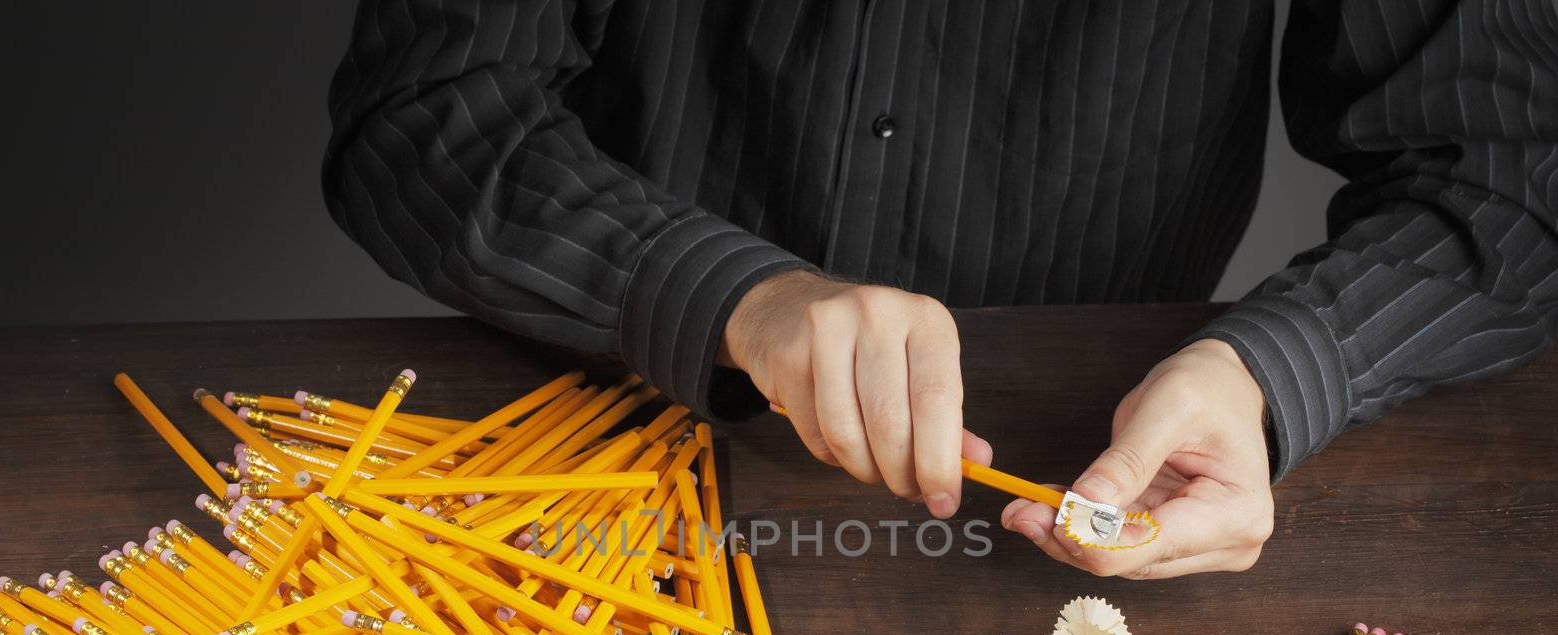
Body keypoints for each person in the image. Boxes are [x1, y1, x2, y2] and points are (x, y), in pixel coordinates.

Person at [324, 1, 1558, 579]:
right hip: (614, 451)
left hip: (1083, 469)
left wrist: (1270, 369)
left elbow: (1504, 180)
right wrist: (732, 297)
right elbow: (427, 114)